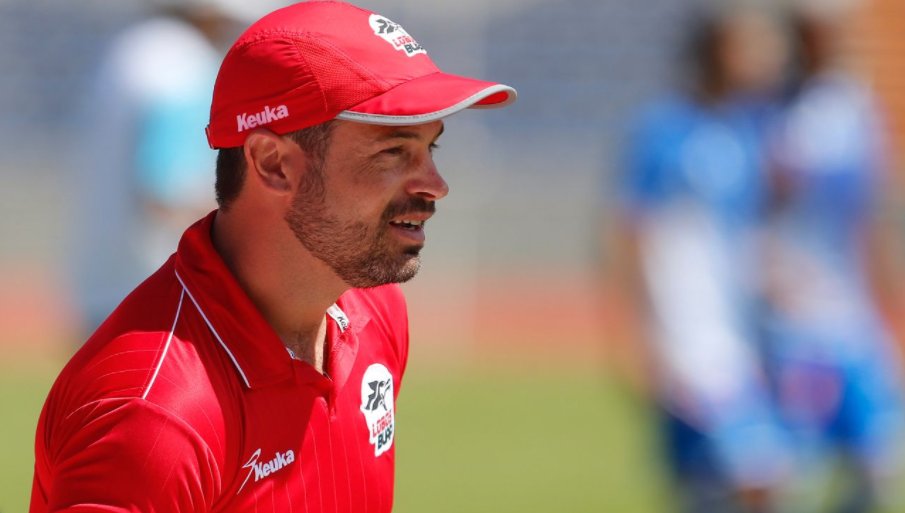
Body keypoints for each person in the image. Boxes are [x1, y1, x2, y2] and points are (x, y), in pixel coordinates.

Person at [31, 2, 516, 512]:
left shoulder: (373, 310)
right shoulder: (152, 416)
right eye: (393, 151)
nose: (436, 185)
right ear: (272, 164)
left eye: (429, 149)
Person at [614, 6, 790, 513]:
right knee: (762, 477)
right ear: (715, 52)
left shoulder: (751, 130)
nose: (764, 59)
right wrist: (638, 336)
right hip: (691, 338)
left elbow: (748, 232)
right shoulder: (664, 130)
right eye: (749, 47)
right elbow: (629, 234)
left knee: (709, 485)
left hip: (741, 334)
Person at [760, 5, 905, 512]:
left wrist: (889, 294)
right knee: (800, 465)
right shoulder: (771, 109)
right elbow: (756, 208)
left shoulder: (856, 107)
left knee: (879, 457)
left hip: (852, 310)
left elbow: (873, 209)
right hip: (798, 317)